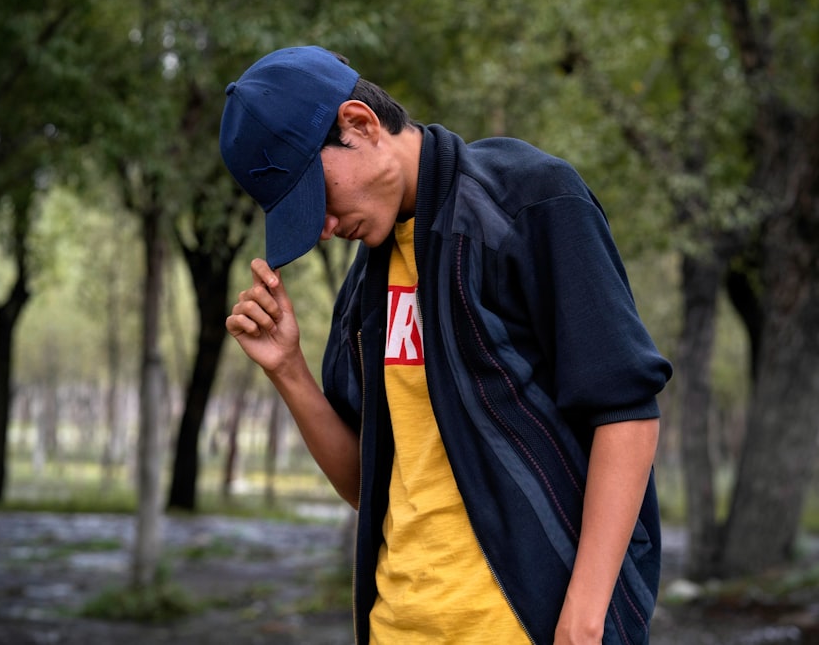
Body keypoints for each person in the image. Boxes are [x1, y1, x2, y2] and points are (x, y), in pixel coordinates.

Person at [220, 46, 672, 645]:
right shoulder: (366, 285)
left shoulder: (525, 201)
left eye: (318, 195)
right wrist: (289, 372)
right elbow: (370, 483)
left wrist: (584, 625)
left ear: (360, 123)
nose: (323, 227)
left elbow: (627, 413)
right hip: (397, 628)